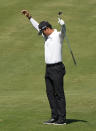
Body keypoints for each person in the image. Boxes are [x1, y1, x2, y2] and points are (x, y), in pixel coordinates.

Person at [21, 10, 66, 125]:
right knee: (50, 93)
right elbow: (37, 27)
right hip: (48, 69)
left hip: (57, 68)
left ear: (47, 29)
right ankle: (54, 116)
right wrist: (29, 17)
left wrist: (63, 24)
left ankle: (62, 119)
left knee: (59, 93)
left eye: (42, 31)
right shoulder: (45, 35)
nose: (41, 33)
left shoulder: (58, 36)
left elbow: (64, 32)